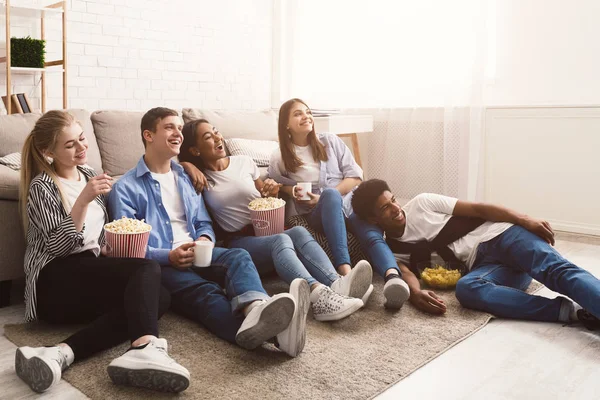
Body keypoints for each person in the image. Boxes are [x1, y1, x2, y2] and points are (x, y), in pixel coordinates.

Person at [109, 107, 307, 358]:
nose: (178, 134)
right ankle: (276, 336)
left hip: (200, 251)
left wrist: (205, 239)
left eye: (180, 128)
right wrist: (167, 256)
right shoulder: (125, 188)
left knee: (238, 257)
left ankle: (255, 308)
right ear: (148, 135)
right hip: (165, 264)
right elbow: (127, 248)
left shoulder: (187, 176)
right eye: (169, 127)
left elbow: (203, 221)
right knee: (206, 293)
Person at [15, 110, 189, 394]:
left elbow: (95, 233)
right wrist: (84, 199)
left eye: (82, 139)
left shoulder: (86, 174)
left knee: (159, 298)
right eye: (70, 144)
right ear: (48, 151)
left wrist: (107, 247)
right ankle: (145, 346)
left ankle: (60, 353)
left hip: (86, 274)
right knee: (146, 267)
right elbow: (59, 248)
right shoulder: (42, 186)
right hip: (54, 282)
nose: (82, 147)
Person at [177, 119, 370, 324]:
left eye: (216, 132)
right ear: (195, 150)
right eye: (208, 137)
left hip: (266, 230)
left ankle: (337, 283)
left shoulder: (244, 162)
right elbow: (165, 168)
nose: (218, 137)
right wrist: (185, 164)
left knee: (298, 232)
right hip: (241, 241)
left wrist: (271, 189)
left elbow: (264, 197)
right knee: (281, 240)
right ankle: (319, 296)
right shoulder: (198, 178)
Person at [350, 178, 600, 329]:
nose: (396, 208)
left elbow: (480, 209)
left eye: (393, 199)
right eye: (385, 208)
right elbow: (405, 274)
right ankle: (571, 312)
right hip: (487, 266)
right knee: (467, 290)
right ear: (372, 219)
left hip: (505, 236)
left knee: (556, 272)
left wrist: (525, 220)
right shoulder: (391, 248)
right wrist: (415, 293)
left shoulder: (422, 203)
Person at [268, 98, 409, 308]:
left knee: (369, 233)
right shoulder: (280, 155)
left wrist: (328, 194)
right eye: (298, 114)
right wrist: (294, 191)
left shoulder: (330, 141)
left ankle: (392, 278)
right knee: (331, 197)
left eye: (307, 112)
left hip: (349, 205)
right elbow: (277, 185)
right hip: (316, 213)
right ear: (286, 124)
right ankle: (346, 272)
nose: (306, 116)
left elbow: (355, 177)